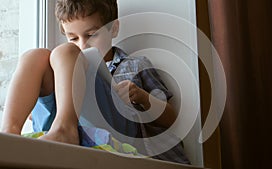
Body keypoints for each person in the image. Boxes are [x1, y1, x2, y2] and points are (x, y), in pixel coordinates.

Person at [1, 0, 190, 164]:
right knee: (36, 56)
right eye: (73, 38)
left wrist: (140, 96)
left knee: (64, 52)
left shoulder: (134, 64)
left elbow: (170, 116)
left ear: (113, 28)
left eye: (91, 35)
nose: (83, 45)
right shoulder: (61, 66)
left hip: (119, 130)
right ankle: (9, 134)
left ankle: (65, 129)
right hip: (70, 124)